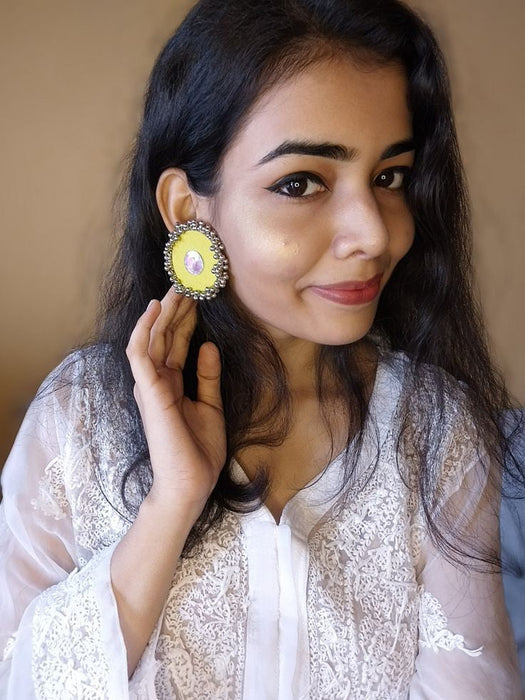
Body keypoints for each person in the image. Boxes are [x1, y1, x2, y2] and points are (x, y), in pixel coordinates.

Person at [0, 0, 523, 697]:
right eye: (300, 183)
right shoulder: (78, 420)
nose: (372, 232)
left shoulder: (439, 435)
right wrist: (171, 504)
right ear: (188, 209)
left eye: (388, 176)